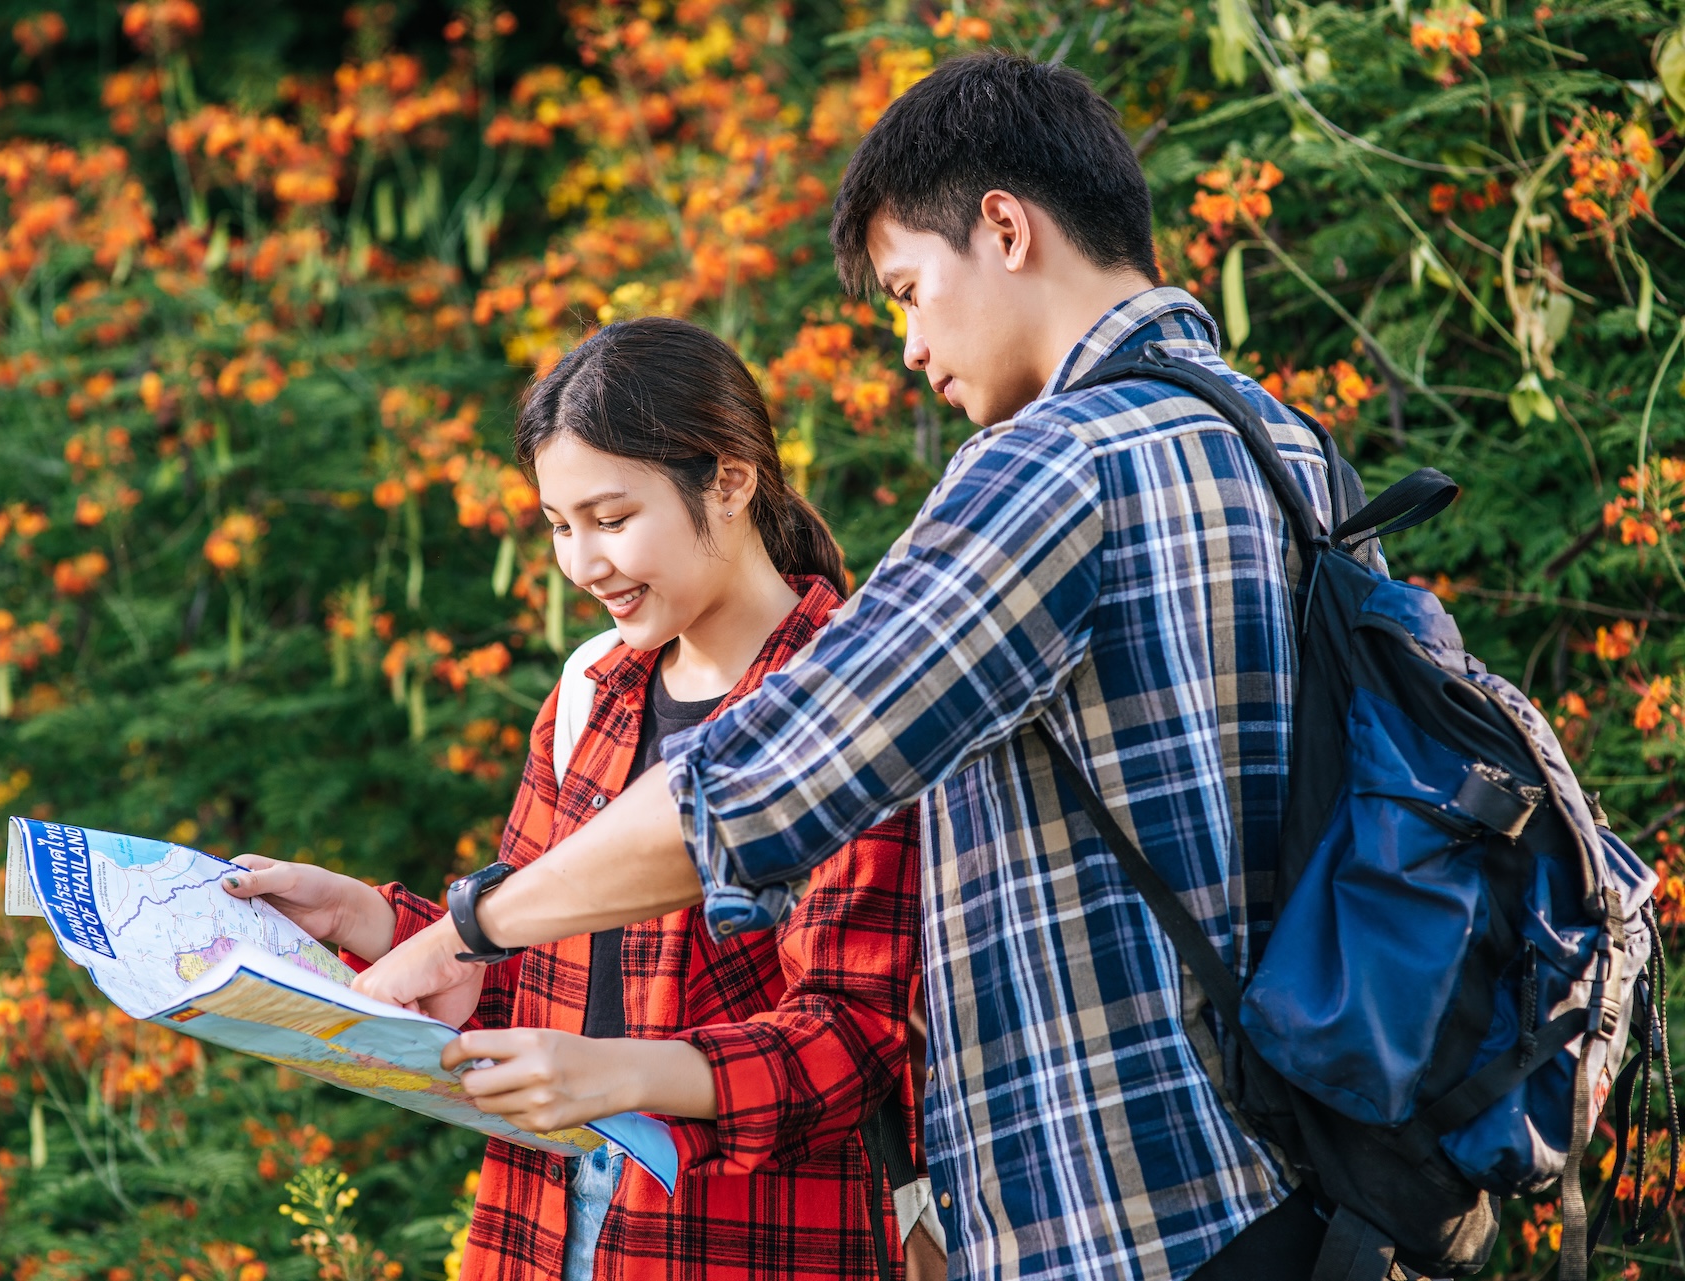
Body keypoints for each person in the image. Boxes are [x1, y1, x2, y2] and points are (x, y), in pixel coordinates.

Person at [346, 50, 1359, 1281]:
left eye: (910, 291)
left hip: (1129, 1198)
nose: (912, 345)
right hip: (1305, 1158)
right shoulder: (1279, 444)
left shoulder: (1051, 466)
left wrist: (472, 926)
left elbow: (766, 788)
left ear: (1005, 229)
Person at [222, 316, 938, 1281]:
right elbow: (524, 969)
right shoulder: (590, 691)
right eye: (560, 526)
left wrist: (618, 1074)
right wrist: (366, 918)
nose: (582, 564)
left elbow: (852, 1041)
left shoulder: (859, 701)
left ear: (730, 482)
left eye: (611, 518)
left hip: (739, 1237)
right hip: (540, 1223)